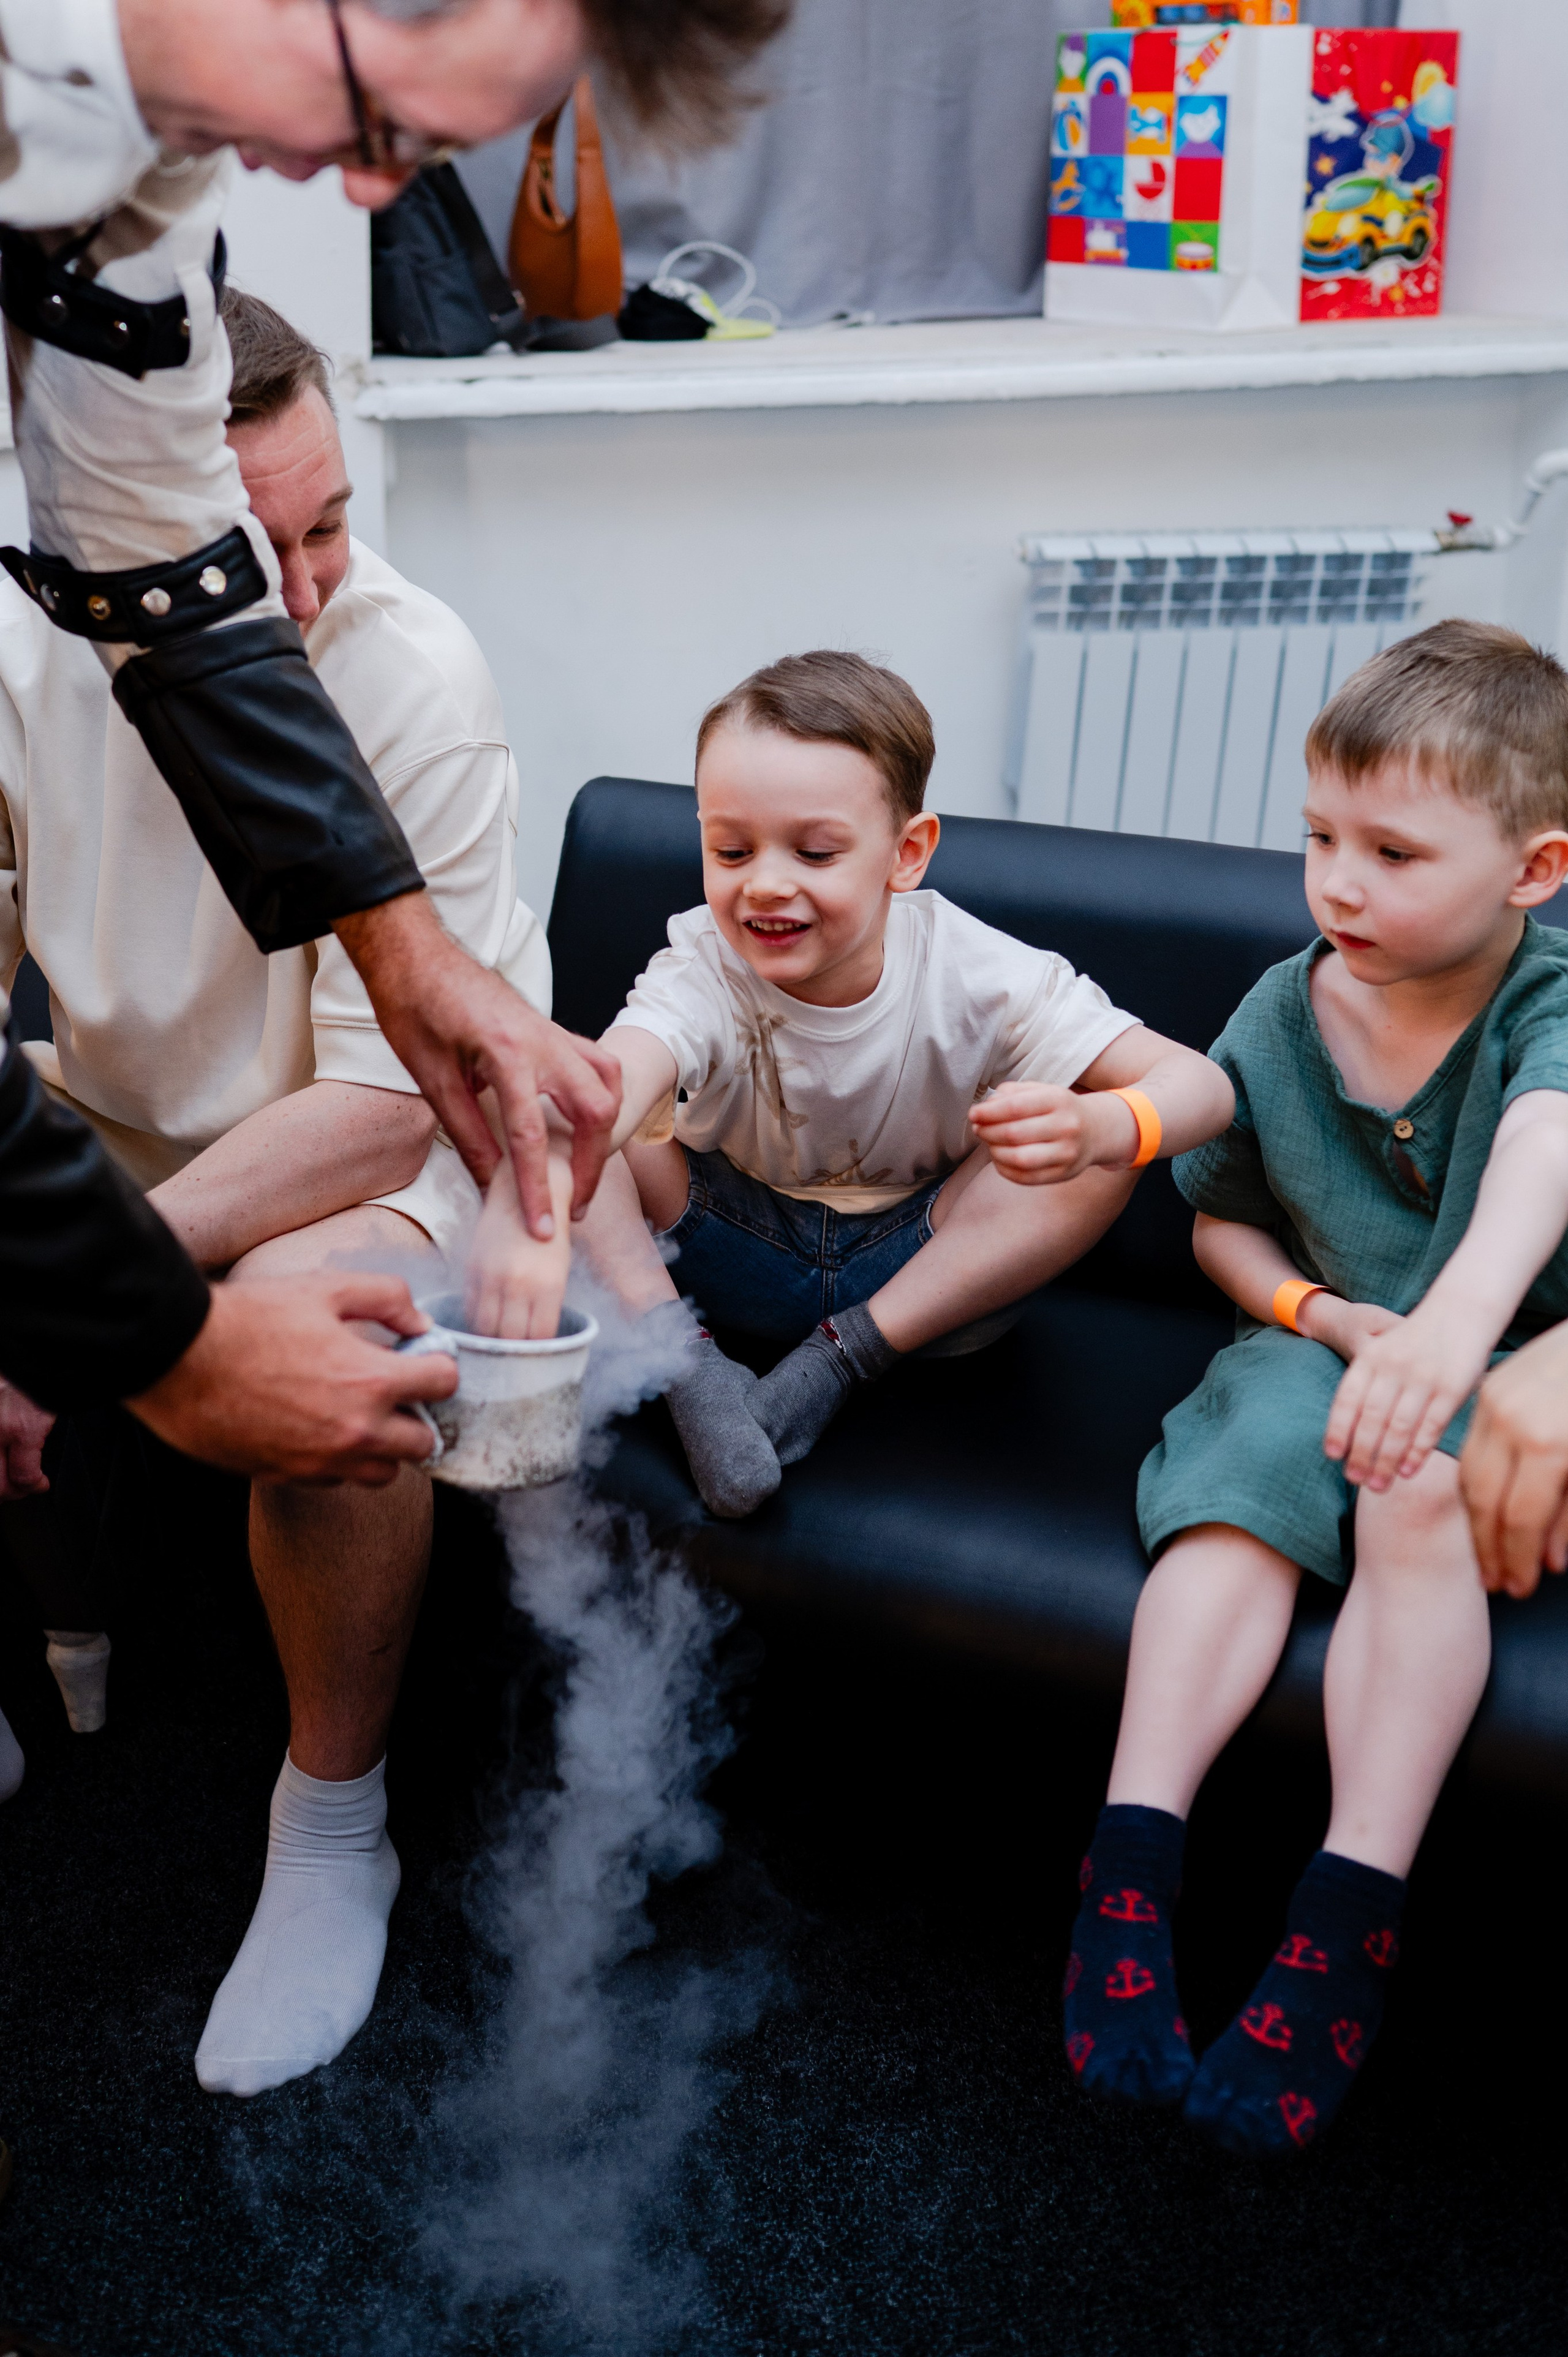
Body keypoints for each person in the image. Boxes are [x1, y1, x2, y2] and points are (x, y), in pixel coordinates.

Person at [0, 0, 785, 1503]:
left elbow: (165, 583)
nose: (370, 189)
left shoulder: (148, 199)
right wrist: (153, 1335)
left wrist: (405, 950)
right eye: (388, 130)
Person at [0, 287, 549, 2090]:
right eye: (256, 553)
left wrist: (84, 1290)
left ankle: (332, 1827)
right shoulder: (18, 645)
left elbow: (391, 1102)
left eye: (331, 526)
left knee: (329, 1307)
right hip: (113, 1125)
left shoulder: (413, 672)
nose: (309, 591)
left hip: (369, 1139)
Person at [1061, 621, 1568, 2157]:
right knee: (1239, 1484)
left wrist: (1446, 1332)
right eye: (1319, 838)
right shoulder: (1285, 1007)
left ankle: (1345, 1913)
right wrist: (1324, 1315)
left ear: (1533, 871)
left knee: (1416, 1492)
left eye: (1391, 854)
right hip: (1321, 1336)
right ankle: (1127, 1871)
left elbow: (1543, 1150)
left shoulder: (1547, 1007)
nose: (1337, 884)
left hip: (1516, 1365)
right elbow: (1217, 1221)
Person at [462, 649, 1235, 1517]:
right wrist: (533, 1193)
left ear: (907, 854)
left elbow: (1204, 1087)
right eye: (730, 850)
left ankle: (837, 1363)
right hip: (717, 1244)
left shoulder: (981, 972)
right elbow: (616, 1079)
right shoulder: (704, 965)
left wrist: (1101, 1129)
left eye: (816, 852)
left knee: (1105, 1150)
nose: (766, 884)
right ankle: (686, 1368)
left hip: (917, 1271)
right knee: (568, 1085)